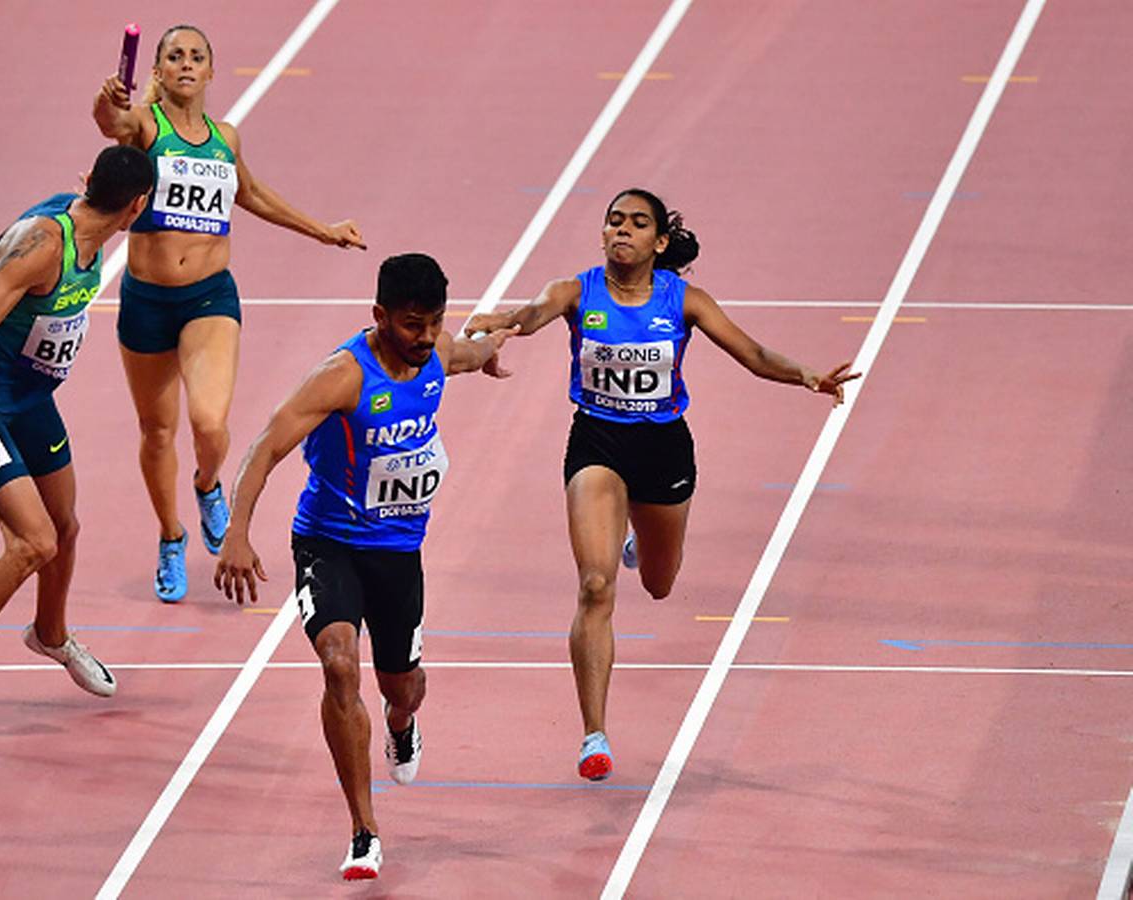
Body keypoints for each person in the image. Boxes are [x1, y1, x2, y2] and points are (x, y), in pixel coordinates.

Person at [465, 188, 860, 781]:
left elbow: (751, 353)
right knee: (596, 586)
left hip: (664, 449)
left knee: (658, 583)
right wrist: (497, 328)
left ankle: (638, 542)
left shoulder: (685, 301)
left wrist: (807, 375)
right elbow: (531, 314)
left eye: (637, 223)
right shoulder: (576, 292)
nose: (622, 230)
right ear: (603, 234)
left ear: (660, 242)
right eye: (614, 221)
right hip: (596, 442)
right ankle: (593, 735)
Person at [214, 253, 517, 880]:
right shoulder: (342, 376)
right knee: (338, 664)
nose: (425, 337)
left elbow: (465, 353)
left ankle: (401, 724)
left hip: (399, 554)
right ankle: (363, 830)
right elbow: (266, 446)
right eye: (412, 325)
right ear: (379, 316)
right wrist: (237, 532)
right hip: (329, 544)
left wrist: (489, 348)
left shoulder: (434, 355)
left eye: (434, 322)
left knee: (401, 688)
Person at [92, 24, 367, 603]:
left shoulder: (226, 137)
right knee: (157, 430)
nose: (186, 64)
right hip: (146, 300)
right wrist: (108, 97)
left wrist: (323, 232)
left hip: (210, 297)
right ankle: (171, 535)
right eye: (174, 57)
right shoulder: (146, 126)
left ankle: (208, 483)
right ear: (159, 72)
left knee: (210, 424)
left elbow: (253, 194)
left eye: (196, 56)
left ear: (212, 72)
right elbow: (110, 123)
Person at [0, 145, 155, 734]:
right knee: (34, 544)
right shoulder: (43, 246)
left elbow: (137, 148)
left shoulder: (94, 227)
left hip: (30, 398)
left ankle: (50, 633)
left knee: (65, 527)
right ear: (136, 207)